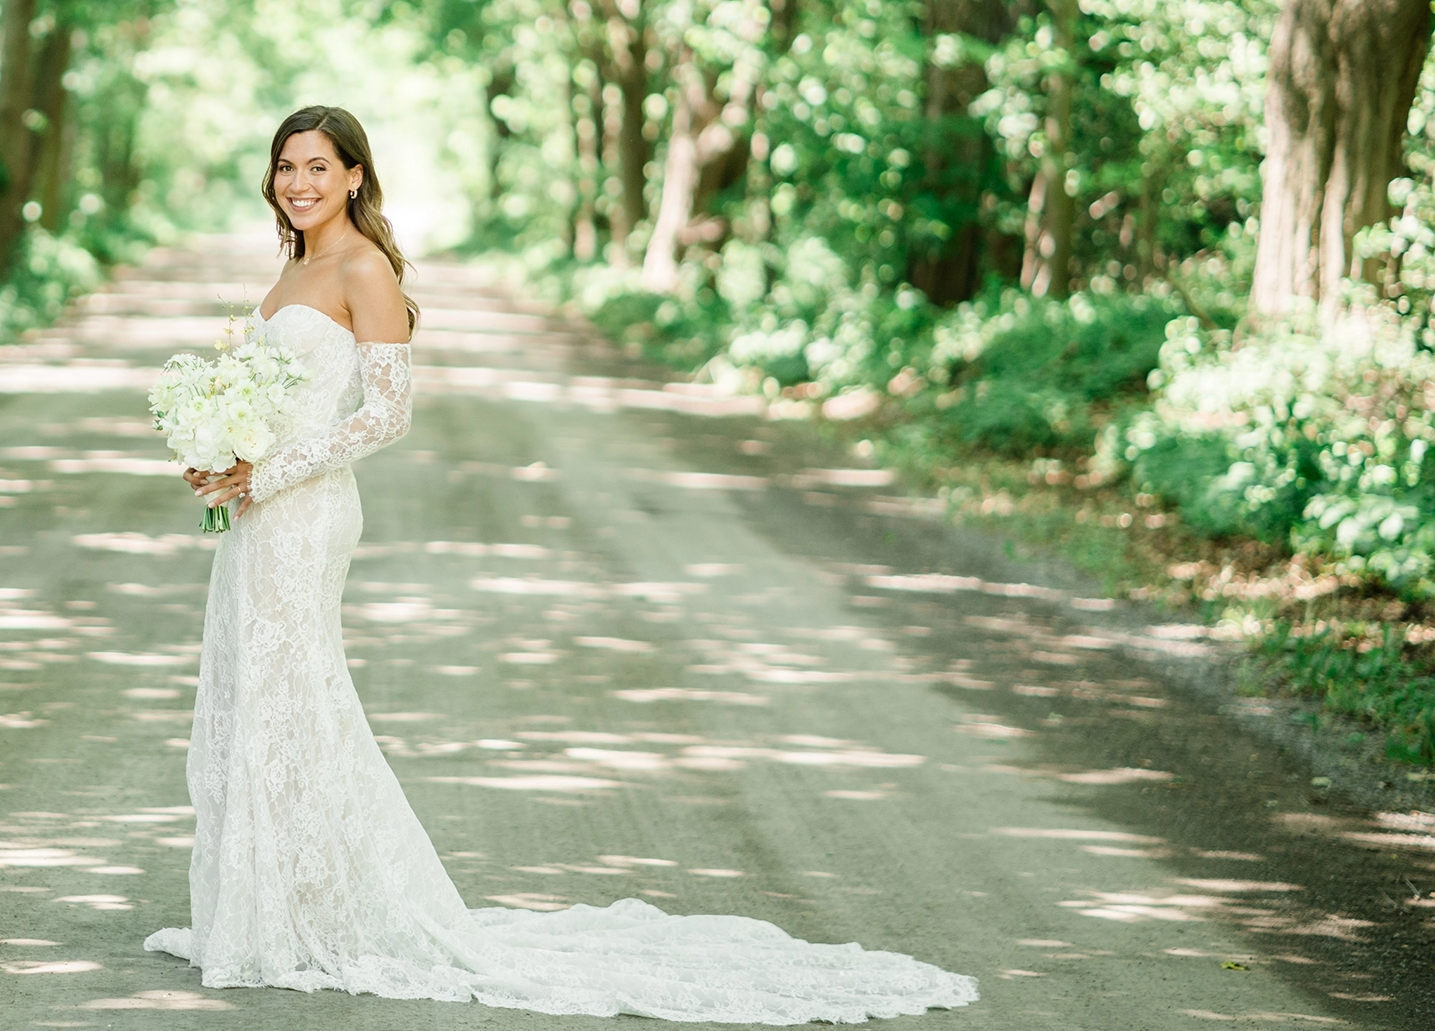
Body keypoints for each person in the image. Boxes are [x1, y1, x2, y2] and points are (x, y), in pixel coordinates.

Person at [143, 104, 979, 1022]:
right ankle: (270, 903)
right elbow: (273, 398)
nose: (299, 183)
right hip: (258, 512)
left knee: (294, 693)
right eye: (286, 167)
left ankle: (314, 911)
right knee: (254, 692)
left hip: (304, 515)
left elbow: (387, 414)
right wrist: (221, 450)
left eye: (318, 167)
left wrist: (271, 470)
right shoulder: (293, 266)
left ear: (354, 176)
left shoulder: (363, 268)